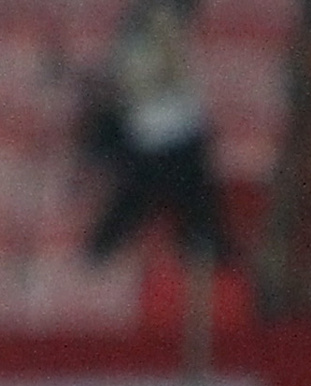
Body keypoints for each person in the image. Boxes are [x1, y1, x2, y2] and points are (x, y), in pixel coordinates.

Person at [82, 0, 231, 267]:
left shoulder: (166, 35)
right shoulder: (137, 42)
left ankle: (204, 241)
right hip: (153, 133)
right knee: (154, 191)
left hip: (177, 131)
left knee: (182, 193)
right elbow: (134, 84)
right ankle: (103, 245)